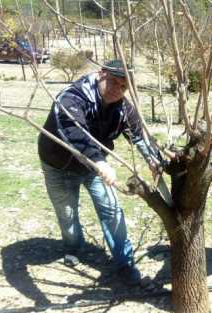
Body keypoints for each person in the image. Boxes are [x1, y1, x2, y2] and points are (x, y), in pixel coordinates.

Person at [38, 60, 163, 286]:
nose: (117, 89)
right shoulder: (72, 97)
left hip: (93, 167)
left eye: (124, 87)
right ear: (101, 74)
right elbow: (72, 130)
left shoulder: (123, 108)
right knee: (67, 215)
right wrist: (100, 162)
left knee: (112, 210)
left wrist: (153, 159)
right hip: (58, 165)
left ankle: (124, 264)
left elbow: (138, 135)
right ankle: (73, 247)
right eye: (114, 81)